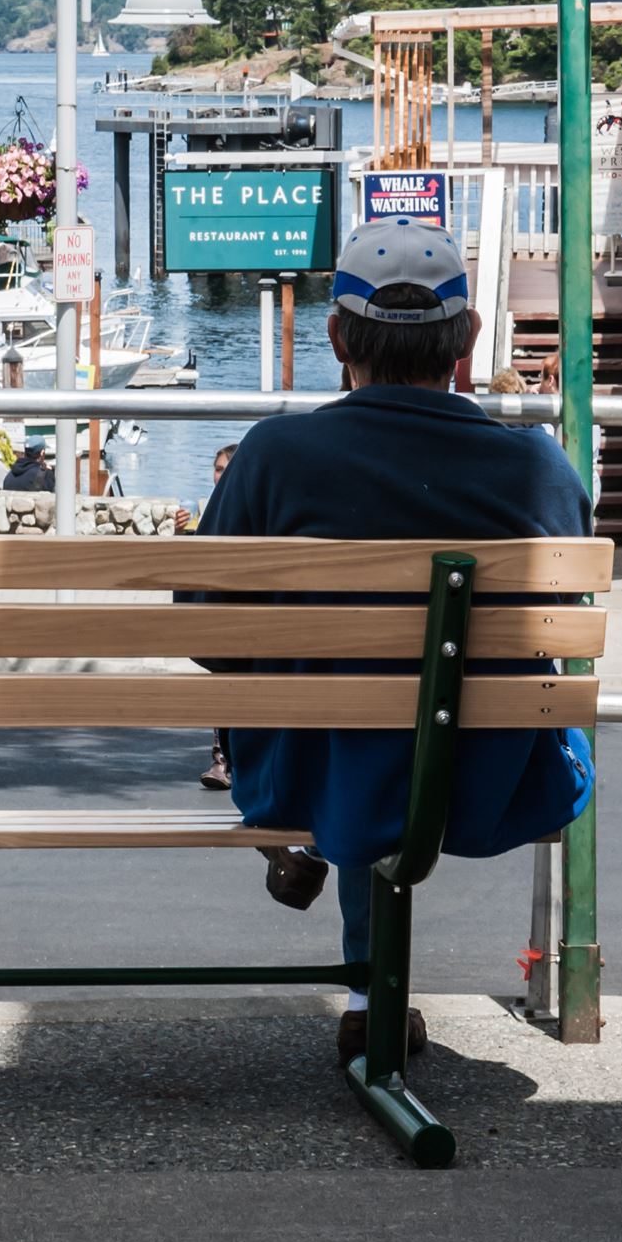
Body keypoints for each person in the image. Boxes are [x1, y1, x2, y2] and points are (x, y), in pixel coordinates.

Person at [198, 218, 592, 1068]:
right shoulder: (537, 465)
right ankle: (368, 992)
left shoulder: (274, 454)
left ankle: (311, 856)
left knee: (349, 729)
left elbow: (203, 623)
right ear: (467, 338)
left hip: (304, 767)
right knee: (407, 723)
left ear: (337, 337)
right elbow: (559, 615)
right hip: (487, 777)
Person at [188, 441, 242, 790]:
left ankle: (225, 759)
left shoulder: (232, 511)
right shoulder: (205, 511)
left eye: (227, 469)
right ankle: (223, 758)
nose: (220, 476)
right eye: (217, 469)